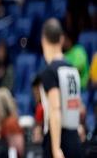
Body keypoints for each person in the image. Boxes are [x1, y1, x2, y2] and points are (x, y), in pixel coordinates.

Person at [40, 18, 83, 158]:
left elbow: (55, 109)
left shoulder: (49, 71)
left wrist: (56, 148)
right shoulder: (73, 70)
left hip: (59, 141)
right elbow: (79, 107)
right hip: (75, 140)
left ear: (44, 40)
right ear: (62, 39)